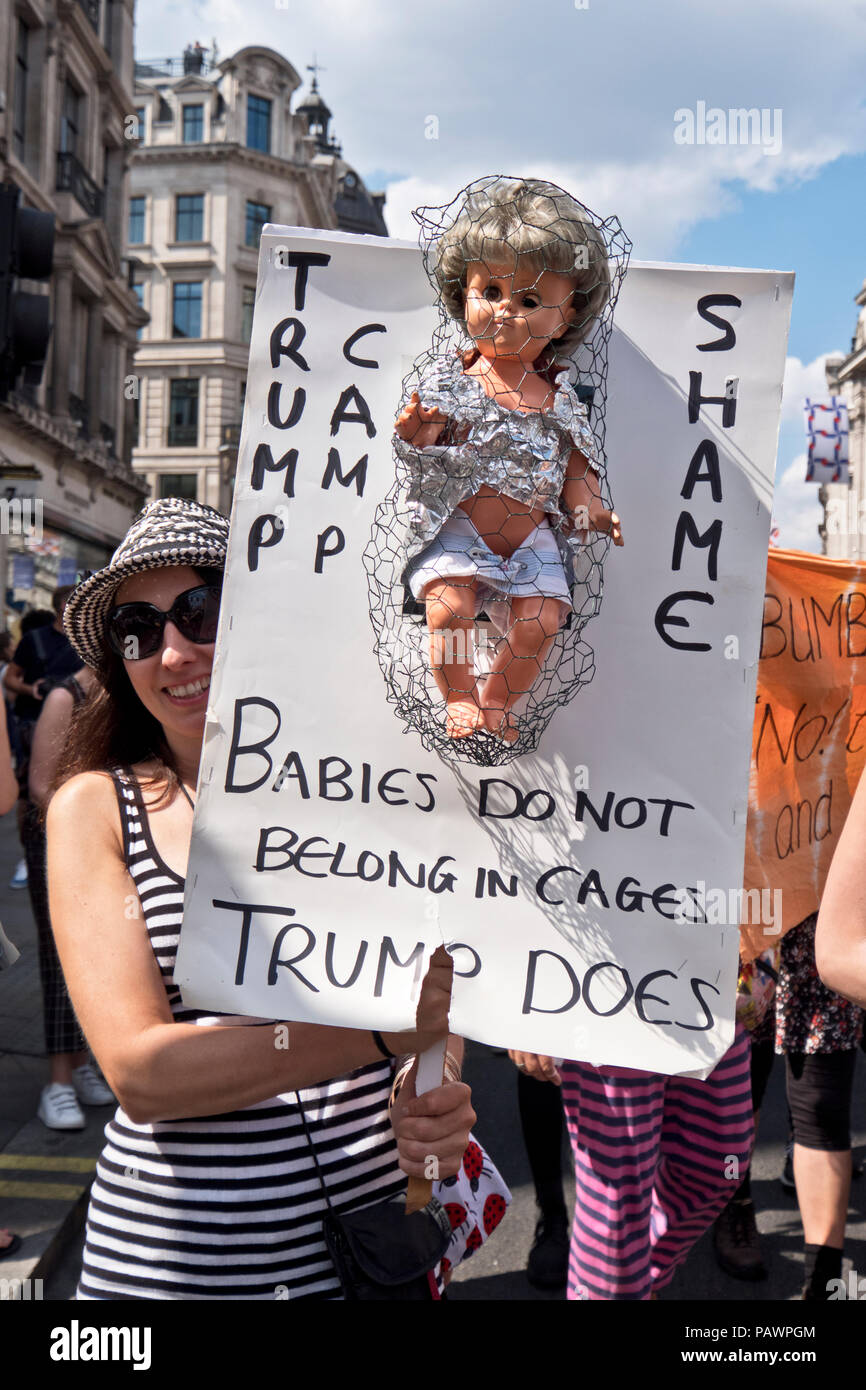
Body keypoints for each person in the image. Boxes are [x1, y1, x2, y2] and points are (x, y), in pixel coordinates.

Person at [46, 497, 475, 1299]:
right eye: (138, 628)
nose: (172, 652)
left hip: (371, 1251)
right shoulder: (96, 810)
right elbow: (141, 1074)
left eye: (199, 613)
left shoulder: (372, 791)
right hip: (178, 1267)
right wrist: (383, 1035)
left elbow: (436, 994)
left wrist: (430, 1088)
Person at [394, 177, 623, 743]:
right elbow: (425, 453)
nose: (505, 313)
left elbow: (576, 468)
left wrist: (589, 509)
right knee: (449, 611)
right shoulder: (452, 384)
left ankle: (499, 697)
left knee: (541, 621)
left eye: (528, 301)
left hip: (531, 537)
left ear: (564, 318)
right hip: (461, 527)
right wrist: (419, 432)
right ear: (462, 294)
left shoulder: (560, 400)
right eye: (490, 292)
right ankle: (458, 696)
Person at [509, 1030, 754, 1300]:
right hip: (608, 1020)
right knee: (615, 1202)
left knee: (726, 1166)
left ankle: (634, 1271)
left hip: (713, 1007)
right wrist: (531, 1018)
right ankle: (618, 1282)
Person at [27, 664, 113, 1128]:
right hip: (57, 842)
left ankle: (81, 1067)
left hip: (103, 842)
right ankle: (58, 1083)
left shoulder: (125, 691)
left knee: (97, 958)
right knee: (60, 958)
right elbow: (41, 787)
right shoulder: (66, 697)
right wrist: (95, 824)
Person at [5, 590, 80, 889]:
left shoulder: (84, 639)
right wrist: (30, 689)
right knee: (30, 795)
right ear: (61, 606)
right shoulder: (34, 639)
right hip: (33, 724)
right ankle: (30, 853)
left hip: (75, 727)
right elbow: (11, 677)